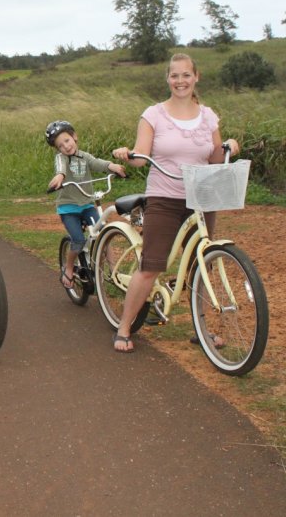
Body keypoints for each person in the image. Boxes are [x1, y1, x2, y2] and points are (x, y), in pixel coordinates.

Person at [110, 53, 240, 353]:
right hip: (165, 196)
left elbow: (215, 159)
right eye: (174, 75)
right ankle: (125, 326)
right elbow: (142, 157)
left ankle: (202, 328)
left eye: (185, 75)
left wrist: (229, 145)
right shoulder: (153, 115)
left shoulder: (208, 116)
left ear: (196, 77)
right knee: (152, 265)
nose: (180, 81)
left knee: (200, 264)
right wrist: (129, 154)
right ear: (167, 79)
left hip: (202, 196)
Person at [45, 120, 126, 289]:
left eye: (67, 140)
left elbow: (97, 163)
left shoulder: (84, 156)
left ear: (74, 137)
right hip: (69, 208)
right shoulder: (61, 159)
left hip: (87, 204)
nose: (66, 147)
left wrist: (112, 166)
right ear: (58, 149)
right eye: (60, 145)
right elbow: (61, 169)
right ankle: (68, 268)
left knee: (104, 233)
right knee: (79, 240)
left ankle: (114, 270)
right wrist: (60, 177)